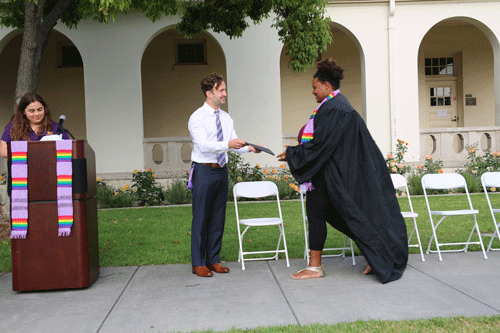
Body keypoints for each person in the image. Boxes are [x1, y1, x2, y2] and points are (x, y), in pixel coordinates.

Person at [277, 59, 408, 284]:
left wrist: (292, 153)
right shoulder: (338, 105)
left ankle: (317, 266)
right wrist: (295, 152)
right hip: (333, 173)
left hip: (332, 175)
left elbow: (322, 145)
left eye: (315, 87)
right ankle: (375, 255)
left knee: (324, 214)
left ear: (327, 86)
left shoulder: (334, 108)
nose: (313, 91)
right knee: (333, 214)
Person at [188, 73, 260, 277]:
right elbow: (204, 145)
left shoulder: (226, 118)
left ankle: (213, 260)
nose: (225, 94)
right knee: (201, 217)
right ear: (209, 93)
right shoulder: (197, 118)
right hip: (203, 170)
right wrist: (228, 144)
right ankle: (198, 263)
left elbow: (233, 141)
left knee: (218, 217)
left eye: (225, 90)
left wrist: (249, 148)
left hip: (221, 171)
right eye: (221, 90)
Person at [1, 92, 69, 157]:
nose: (37, 114)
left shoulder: (55, 127)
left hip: (50, 167)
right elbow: (3, 151)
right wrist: (30, 153)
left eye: (40, 109)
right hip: (22, 167)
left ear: (44, 109)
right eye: (31, 111)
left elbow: (67, 150)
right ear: (23, 111)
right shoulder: (14, 126)